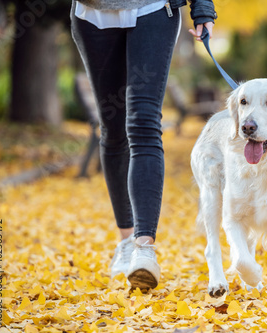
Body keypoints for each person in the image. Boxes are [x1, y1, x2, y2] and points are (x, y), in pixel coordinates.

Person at [70, 0, 216, 291]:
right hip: (92, 13)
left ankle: (144, 247)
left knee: (144, 123)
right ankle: (125, 242)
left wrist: (203, 8)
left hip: (154, 9)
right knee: (113, 129)